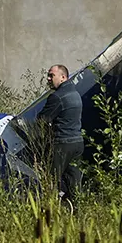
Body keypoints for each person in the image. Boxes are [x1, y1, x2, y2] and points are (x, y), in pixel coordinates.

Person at [35, 64, 84, 201]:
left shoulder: (57, 97)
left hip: (62, 143)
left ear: (63, 77)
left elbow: (42, 120)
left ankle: (50, 209)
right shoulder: (75, 94)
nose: (48, 78)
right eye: (48, 75)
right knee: (74, 180)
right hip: (77, 143)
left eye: (52, 75)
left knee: (51, 179)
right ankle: (76, 210)